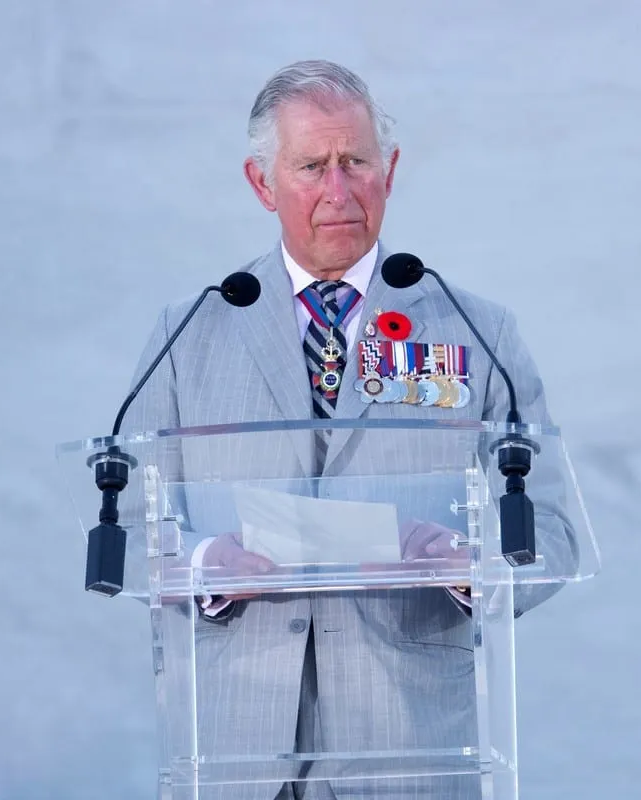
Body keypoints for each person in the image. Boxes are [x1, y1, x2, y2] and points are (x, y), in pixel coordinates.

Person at [123, 60, 577, 800]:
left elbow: (551, 531)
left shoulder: (475, 331)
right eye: (311, 167)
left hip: (412, 744)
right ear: (262, 183)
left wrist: (474, 565)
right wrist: (205, 563)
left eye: (355, 163)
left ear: (388, 172)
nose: (338, 190)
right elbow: (127, 531)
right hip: (236, 749)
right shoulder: (191, 333)